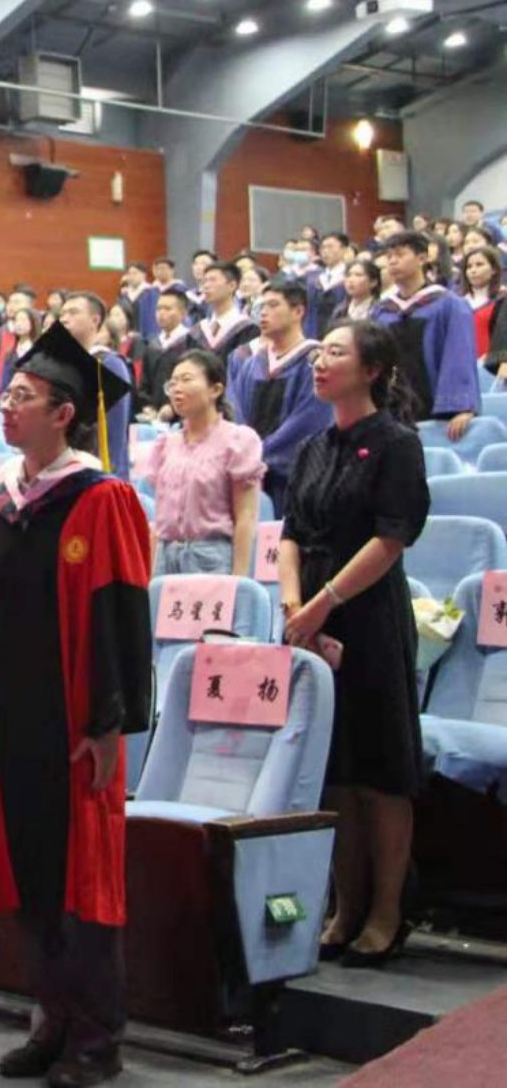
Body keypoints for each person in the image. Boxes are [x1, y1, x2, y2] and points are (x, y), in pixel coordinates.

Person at [0, 320, 152, 1088]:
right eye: (6, 395)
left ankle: (96, 1040)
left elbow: (120, 615)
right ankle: (50, 1022)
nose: (6, 407)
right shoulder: (1, 506)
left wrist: (107, 724)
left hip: (74, 724)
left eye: (22, 397)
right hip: (12, 720)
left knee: (81, 885)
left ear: (64, 414)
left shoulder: (102, 499)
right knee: (31, 875)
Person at [279, 320, 430, 968]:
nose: (320, 361)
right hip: (309, 618)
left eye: (335, 353)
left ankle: (388, 911)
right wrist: (294, 607)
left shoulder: (396, 444)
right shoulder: (313, 446)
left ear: (370, 370)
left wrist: (322, 604)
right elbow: (290, 533)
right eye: (319, 352)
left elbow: (390, 539)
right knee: (332, 770)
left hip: (366, 615)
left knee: (380, 771)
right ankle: (345, 906)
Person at [141, 350, 264, 576]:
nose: (177, 389)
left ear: (215, 389)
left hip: (211, 560)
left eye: (186, 380)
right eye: (172, 383)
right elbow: (159, 521)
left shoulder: (237, 441)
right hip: (166, 559)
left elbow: (245, 517)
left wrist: (239, 579)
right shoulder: (165, 445)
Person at [230, 280, 332, 511]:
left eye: (273, 305)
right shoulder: (253, 363)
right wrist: (247, 451)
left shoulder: (314, 361)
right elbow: (238, 413)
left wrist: (260, 453)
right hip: (251, 473)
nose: (263, 312)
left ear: (298, 311)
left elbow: (308, 419)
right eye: (261, 306)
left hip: (296, 476)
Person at [374, 230, 479, 442]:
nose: (392, 261)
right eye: (389, 256)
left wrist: (461, 406)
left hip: (436, 411)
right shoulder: (381, 311)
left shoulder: (449, 305)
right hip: (392, 411)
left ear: (422, 258)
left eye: (400, 254)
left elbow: (459, 354)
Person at [59, 293, 137, 481]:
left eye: (73, 312)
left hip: (96, 475)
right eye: (62, 314)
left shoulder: (108, 365)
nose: (64, 319)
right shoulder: (64, 364)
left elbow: (112, 434)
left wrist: (106, 479)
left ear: (95, 320)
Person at [191, 262, 261, 376]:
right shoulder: (197, 331)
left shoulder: (248, 330)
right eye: (205, 281)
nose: (206, 286)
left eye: (212, 280)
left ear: (232, 286)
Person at [136, 289, 191, 421]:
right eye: (158, 309)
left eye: (167, 308)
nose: (161, 313)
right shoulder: (152, 345)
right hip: (154, 416)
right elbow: (145, 382)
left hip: (183, 415)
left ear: (183, 313)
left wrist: (172, 407)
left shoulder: (191, 342)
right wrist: (148, 406)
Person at [459, 246, 504, 371]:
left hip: (494, 369)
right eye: (469, 267)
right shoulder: (457, 302)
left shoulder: (502, 299)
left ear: (494, 269)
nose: (473, 270)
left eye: (479, 265)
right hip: (463, 366)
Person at [310, 232, 354, 337]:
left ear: (344, 250)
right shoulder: (314, 278)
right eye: (323, 248)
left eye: (330, 247)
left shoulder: (349, 277)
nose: (325, 251)